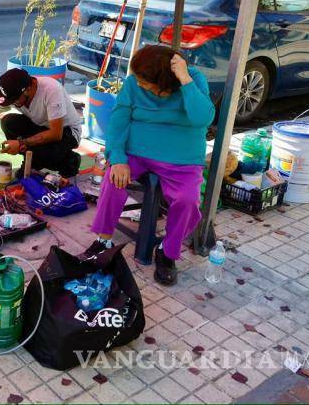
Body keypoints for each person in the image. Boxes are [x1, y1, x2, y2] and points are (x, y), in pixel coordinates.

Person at [84, 45, 215, 285]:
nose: (138, 83)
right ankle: (103, 240)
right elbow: (119, 120)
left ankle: (168, 251)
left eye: (146, 82)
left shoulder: (193, 79)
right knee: (113, 180)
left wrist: (185, 80)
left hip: (181, 156)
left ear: (164, 84)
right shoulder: (134, 83)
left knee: (187, 200)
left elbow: (203, 118)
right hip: (137, 149)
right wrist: (119, 158)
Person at [0, 68, 83, 178]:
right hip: (41, 126)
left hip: (66, 132)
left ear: (28, 89)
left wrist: (22, 143)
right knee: (8, 122)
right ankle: (33, 161)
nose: (12, 103)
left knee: (49, 154)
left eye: (14, 100)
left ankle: (69, 160)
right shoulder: (13, 92)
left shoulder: (51, 90)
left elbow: (56, 134)